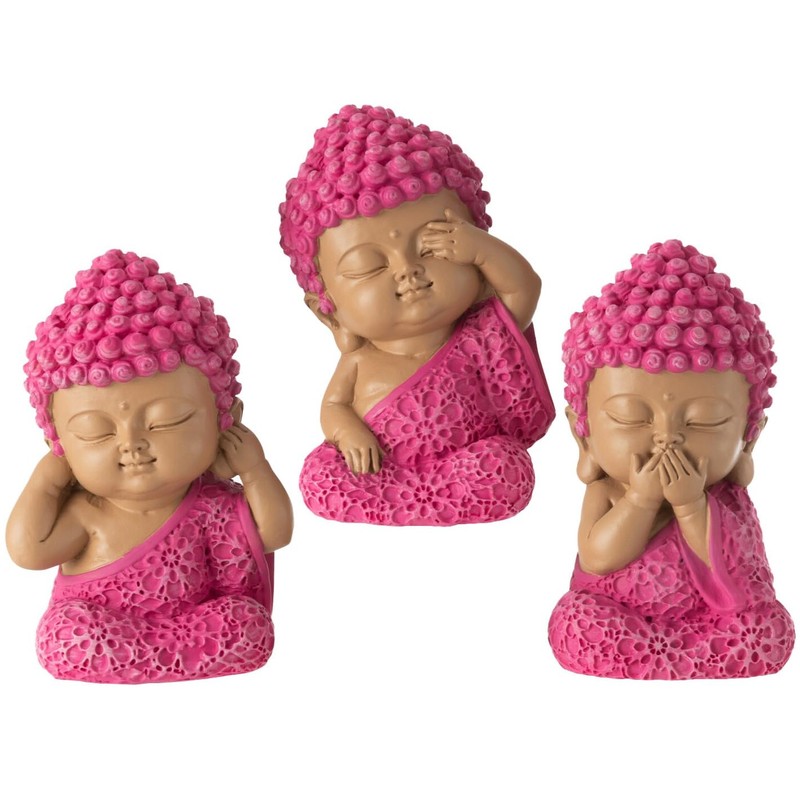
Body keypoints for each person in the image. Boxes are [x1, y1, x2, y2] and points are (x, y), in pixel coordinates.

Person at [7, 249, 293, 683]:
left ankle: (155, 657)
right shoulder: (88, 512)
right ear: (58, 442)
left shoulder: (212, 506)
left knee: (246, 623)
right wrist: (46, 483)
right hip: (104, 630)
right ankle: (162, 657)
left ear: (225, 418)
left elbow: (273, 534)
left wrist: (255, 470)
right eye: (96, 432)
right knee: (65, 634)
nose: (132, 444)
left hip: (199, 626)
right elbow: (30, 552)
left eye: (166, 421)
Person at [279, 105, 554, 525]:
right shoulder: (360, 360)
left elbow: (523, 288)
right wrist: (348, 432)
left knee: (507, 466)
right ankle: (410, 500)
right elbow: (334, 406)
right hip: (380, 470)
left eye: (432, 248)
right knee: (320, 476)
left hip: (468, 465)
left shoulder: (482, 335)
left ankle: (412, 502)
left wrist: (483, 251)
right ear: (328, 311)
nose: (407, 270)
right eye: (369, 266)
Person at [548, 239, 794, 678]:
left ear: (748, 440)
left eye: (703, 421)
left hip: (713, 626)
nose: (667, 438)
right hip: (617, 619)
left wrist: (692, 507)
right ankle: (678, 657)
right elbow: (598, 559)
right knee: (577, 622)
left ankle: (661, 656)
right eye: (631, 416)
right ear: (583, 436)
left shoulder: (729, 505)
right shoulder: (607, 492)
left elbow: (739, 585)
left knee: (766, 631)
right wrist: (640, 501)